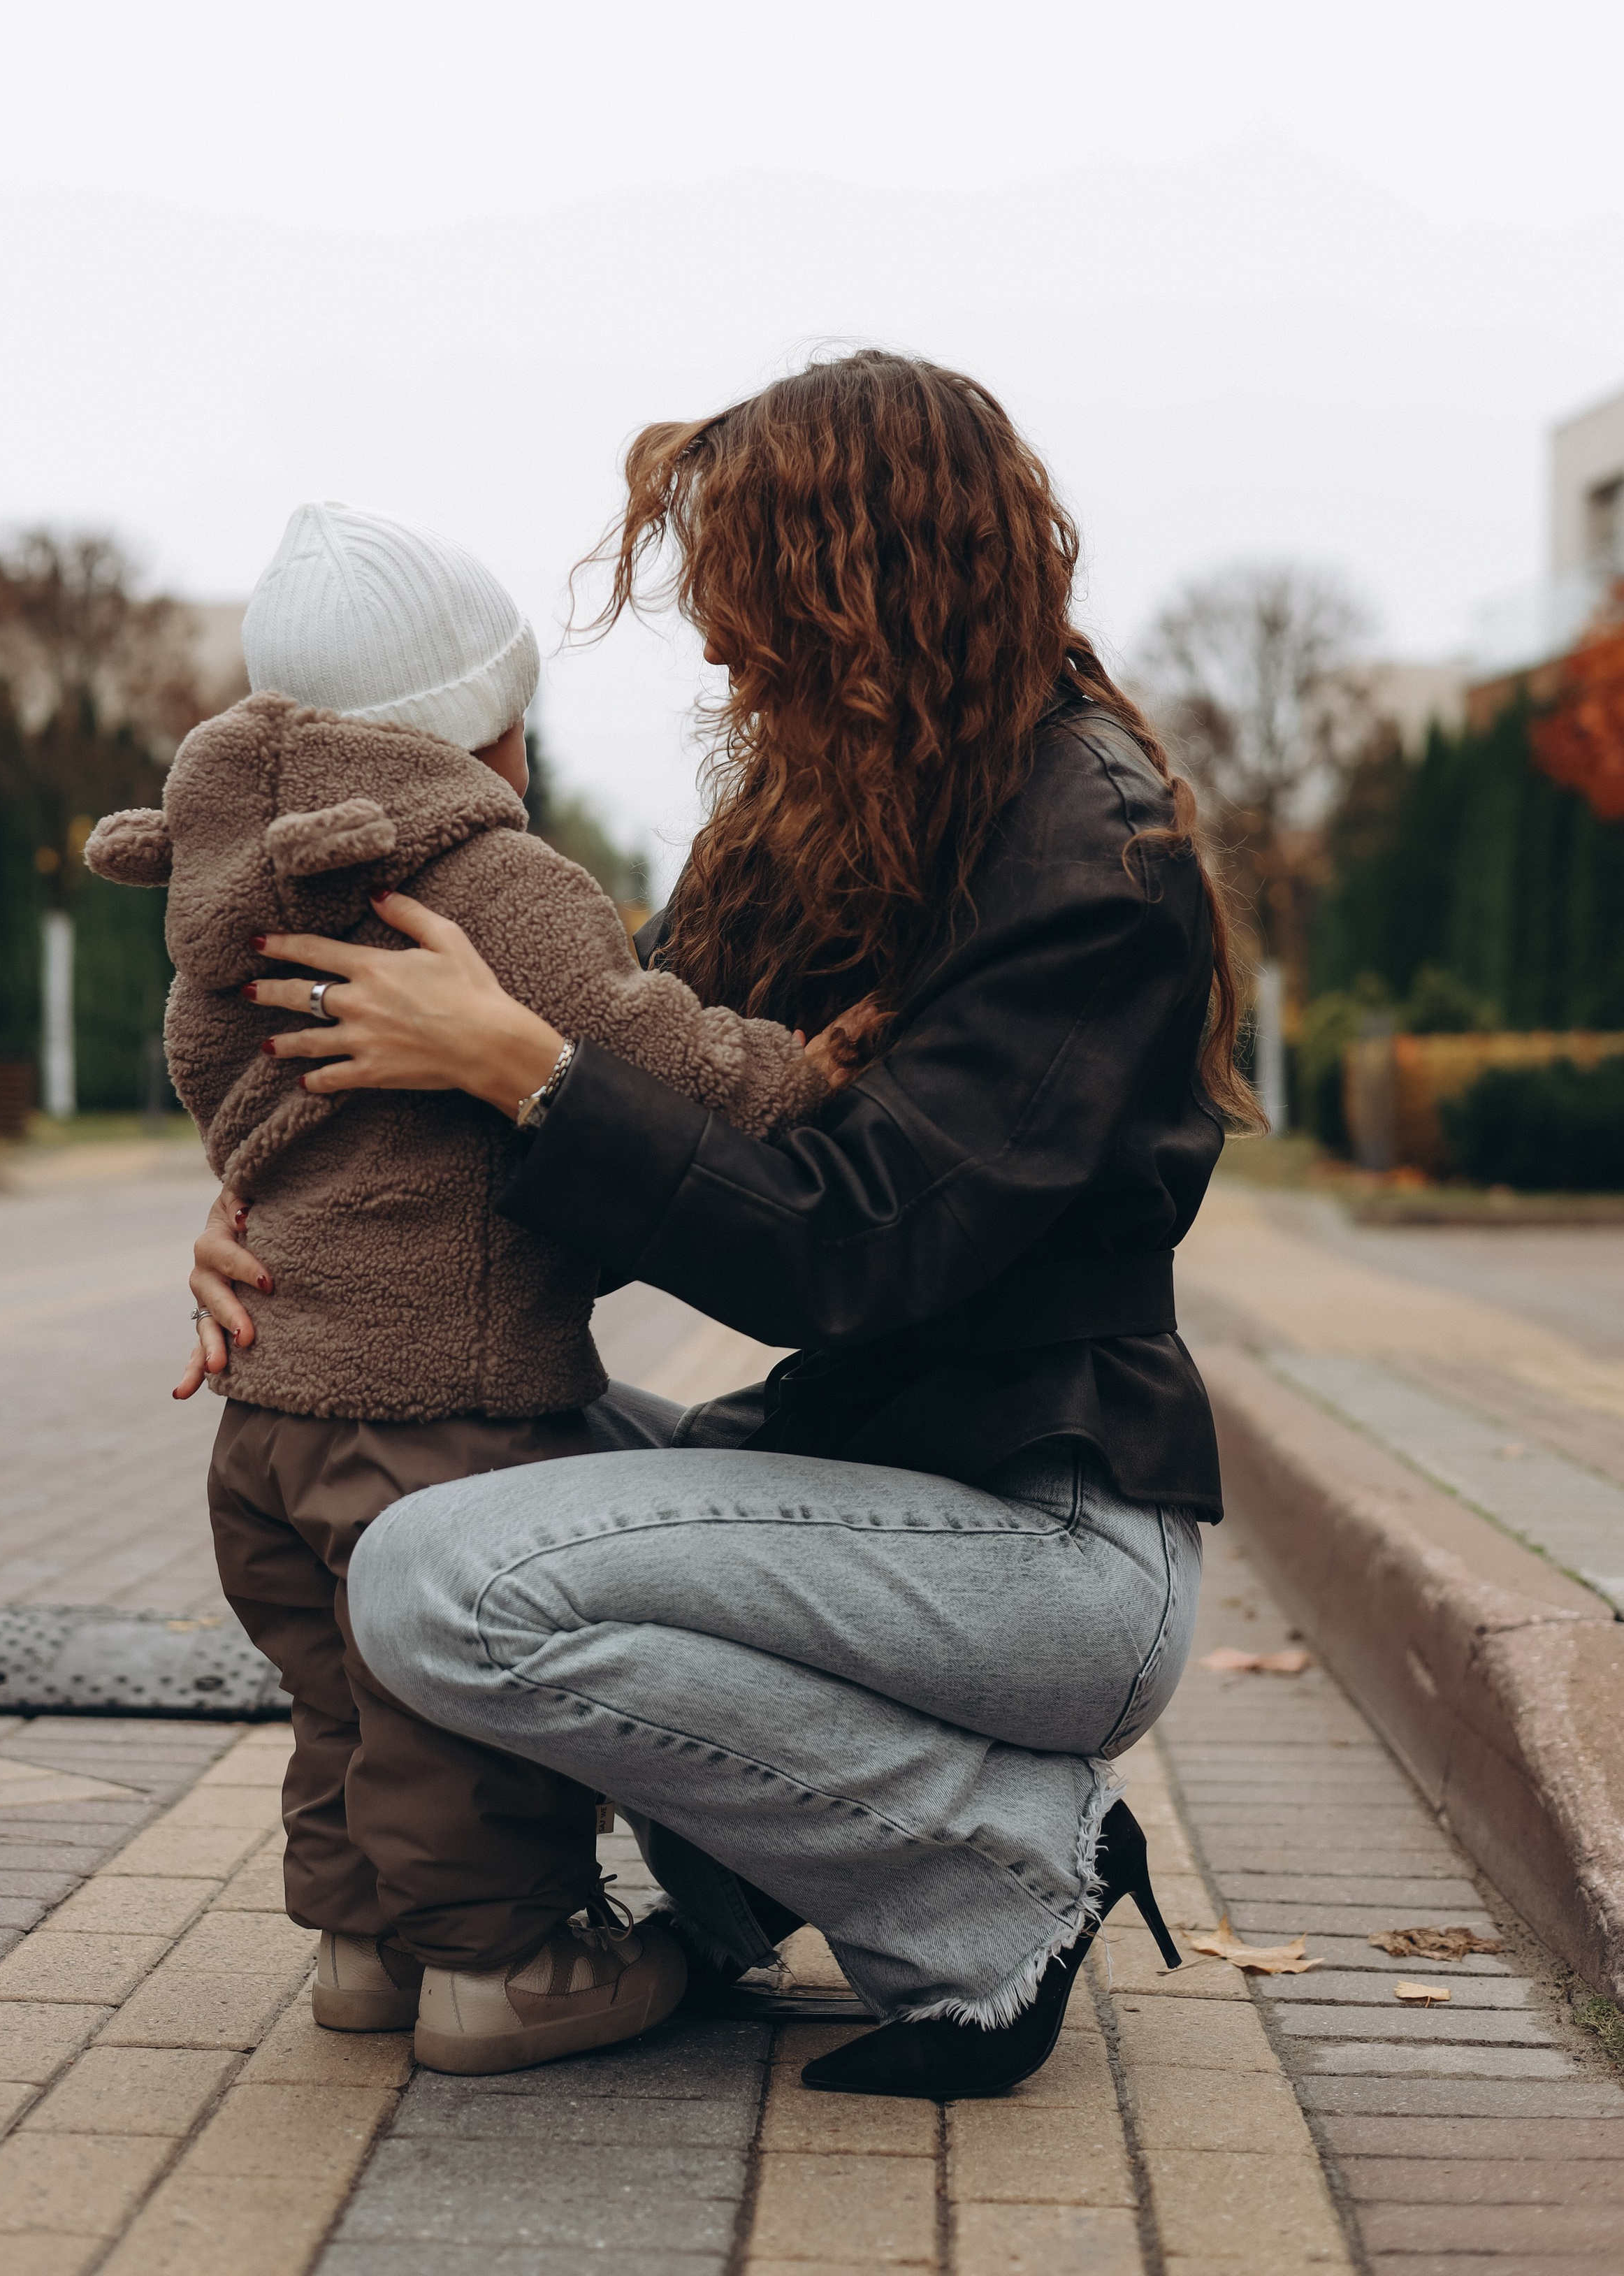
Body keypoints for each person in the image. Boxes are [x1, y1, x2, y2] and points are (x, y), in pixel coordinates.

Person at [194, 352, 1258, 2102]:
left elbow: (851, 1245)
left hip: (1047, 1545)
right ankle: (743, 1880)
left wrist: (526, 1068)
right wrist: (268, 1235)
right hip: (864, 1487)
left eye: (748, 595)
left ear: (877, 581)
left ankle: (1000, 1877)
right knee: (408, 1454)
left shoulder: (1092, 854)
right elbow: (632, 1129)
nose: (712, 646)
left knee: (434, 1577)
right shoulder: (826, 818)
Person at [97, 498, 827, 2076]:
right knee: (447, 1709)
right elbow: (636, 1044)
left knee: (340, 1697)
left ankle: (368, 1952)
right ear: (490, 730)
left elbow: (224, 1088)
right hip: (441, 1415)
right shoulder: (489, 879)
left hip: (268, 1418)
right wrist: (799, 1068)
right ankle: (504, 1968)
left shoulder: (234, 888)